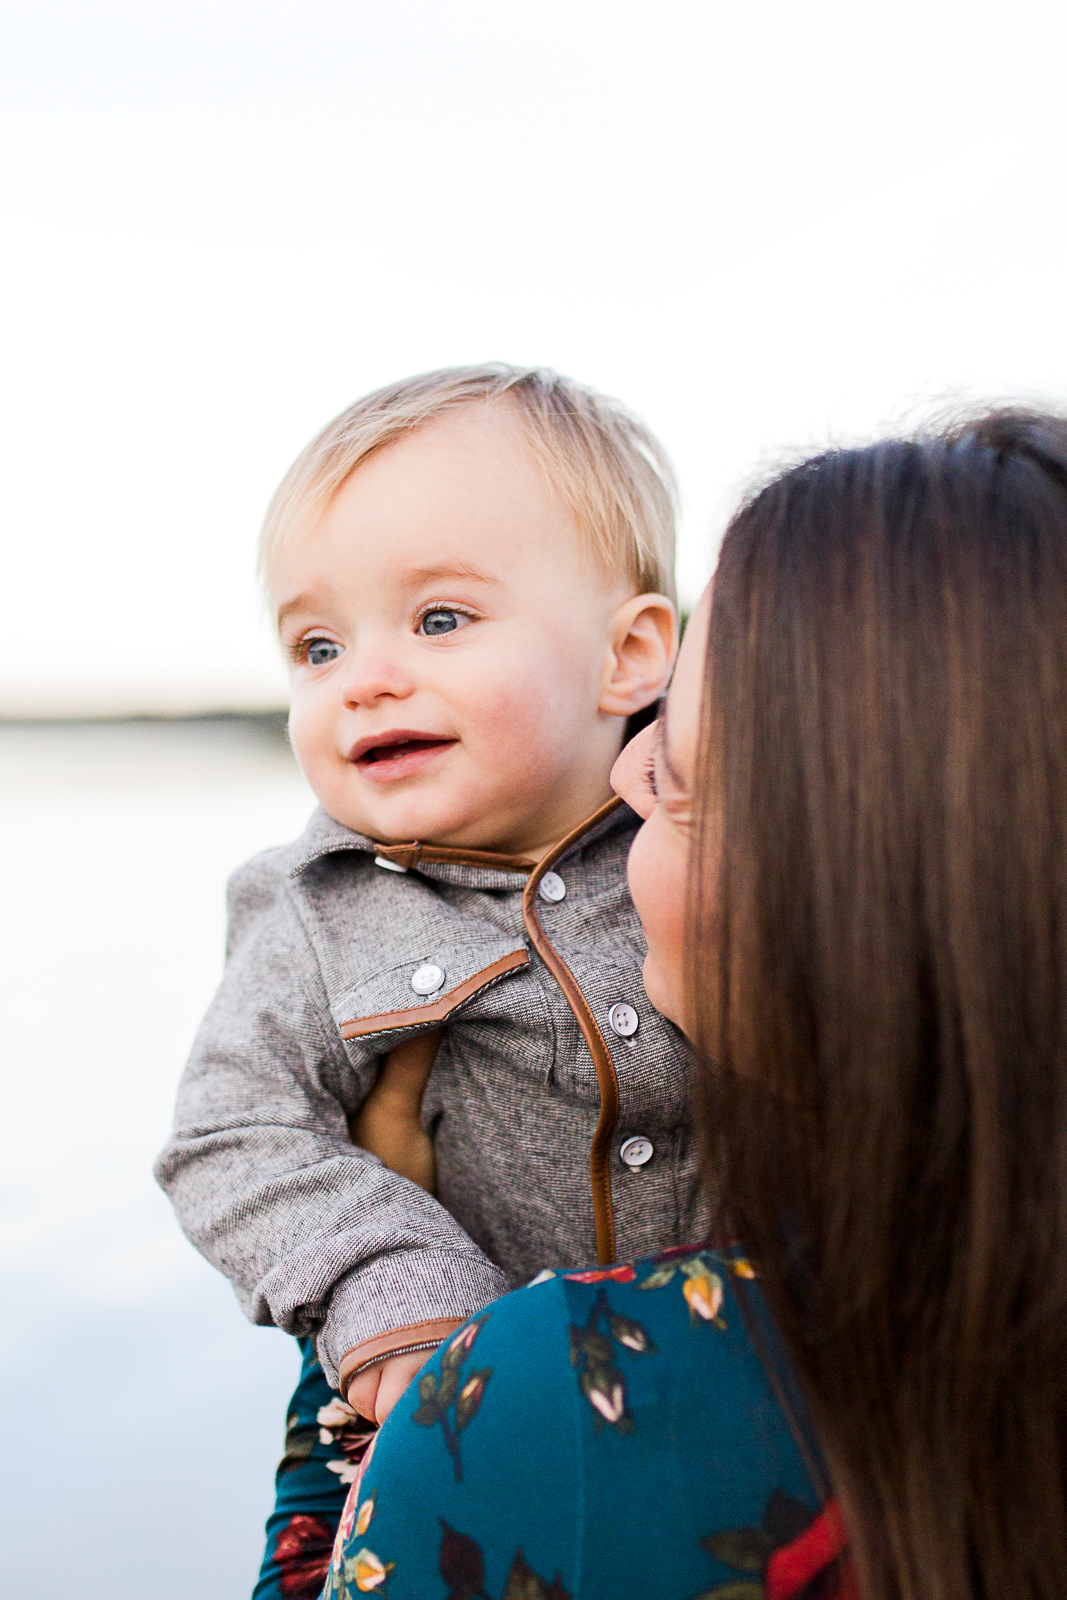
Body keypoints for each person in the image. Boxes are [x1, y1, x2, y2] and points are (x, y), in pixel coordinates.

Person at [324, 408, 1067, 1600]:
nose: (621, 773)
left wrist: (377, 1305)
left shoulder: (556, 1408)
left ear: (855, 905)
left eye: (673, 776)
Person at [154, 365, 709, 1595]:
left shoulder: (713, 844)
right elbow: (230, 1134)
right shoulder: (313, 904)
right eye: (316, 643)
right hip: (435, 1398)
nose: (364, 676)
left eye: (440, 621)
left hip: (735, 1388)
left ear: (629, 655)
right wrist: (395, 1294)